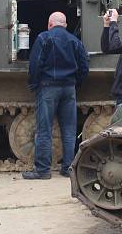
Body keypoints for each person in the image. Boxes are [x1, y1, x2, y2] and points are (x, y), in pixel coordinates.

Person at [23, 11, 89, 179]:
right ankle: (68, 168)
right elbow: (84, 67)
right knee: (69, 130)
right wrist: (76, 83)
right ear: (65, 25)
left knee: (44, 129)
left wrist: (35, 84)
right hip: (69, 88)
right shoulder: (75, 41)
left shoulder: (44, 38)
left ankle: (43, 170)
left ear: (49, 24)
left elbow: (35, 65)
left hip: (48, 87)